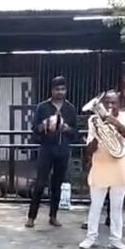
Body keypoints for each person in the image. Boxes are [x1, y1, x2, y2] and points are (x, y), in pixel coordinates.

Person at [78, 91, 125, 249]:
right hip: (101, 165)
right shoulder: (93, 120)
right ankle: (91, 237)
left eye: (113, 103)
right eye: (106, 103)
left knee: (117, 207)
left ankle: (116, 240)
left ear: (120, 104)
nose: (110, 106)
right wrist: (98, 135)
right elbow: (89, 149)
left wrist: (116, 124)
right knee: (95, 205)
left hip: (120, 165)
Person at [25, 76, 77, 228]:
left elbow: (75, 133)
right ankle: (31, 217)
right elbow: (34, 130)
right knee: (40, 184)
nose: (60, 92)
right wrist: (45, 125)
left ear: (66, 90)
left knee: (57, 185)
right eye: (57, 89)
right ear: (52, 90)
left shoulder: (70, 108)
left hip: (63, 150)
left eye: (62, 89)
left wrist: (66, 128)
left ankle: (53, 216)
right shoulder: (43, 107)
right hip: (46, 149)